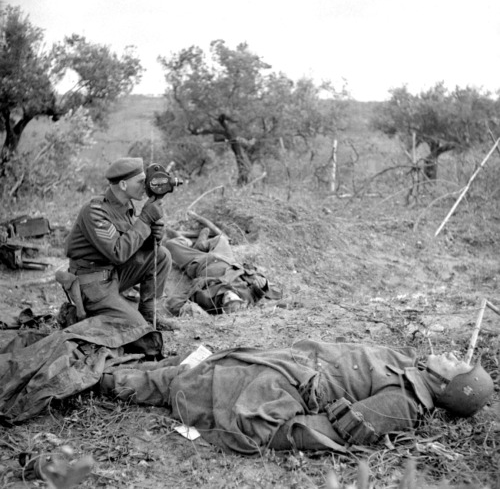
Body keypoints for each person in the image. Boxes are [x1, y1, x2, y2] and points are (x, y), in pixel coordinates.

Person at [100, 339, 494, 455]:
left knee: (190, 386)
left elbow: (333, 432)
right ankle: (113, 372)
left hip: (280, 387)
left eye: (457, 363)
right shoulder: (415, 368)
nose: (451, 356)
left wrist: (271, 427)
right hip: (286, 363)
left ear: (446, 385)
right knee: (200, 366)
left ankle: (103, 383)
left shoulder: (404, 402)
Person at [64, 157, 173, 330]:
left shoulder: (126, 207)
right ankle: (79, 315)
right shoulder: (94, 211)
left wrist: (152, 238)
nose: (145, 186)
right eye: (140, 181)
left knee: (161, 256)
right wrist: (144, 219)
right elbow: (117, 252)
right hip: (92, 283)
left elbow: (131, 243)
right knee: (136, 328)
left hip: (114, 274)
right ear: (123, 185)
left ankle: (148, 314)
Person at [163, 228, 281, 314]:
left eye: (227, 300)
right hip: (225, 258)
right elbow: (261, 291)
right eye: (233, 298)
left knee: (170, 245)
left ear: (222, 306)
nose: (229, 296)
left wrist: (210, 281)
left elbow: (190, 291)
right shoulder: (247, 296)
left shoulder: (208, 301)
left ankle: (188, 243)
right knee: (221, 239)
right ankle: (201, 244)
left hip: (199, 262)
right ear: (240, 299)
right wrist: (263, 283)